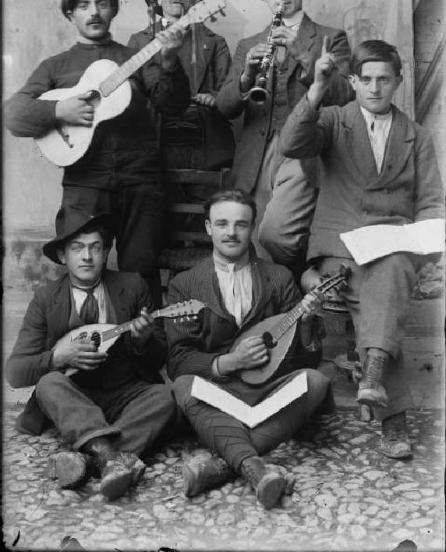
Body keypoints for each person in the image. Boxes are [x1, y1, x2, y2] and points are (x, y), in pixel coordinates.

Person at [277, 39, 445, 459]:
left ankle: (373, 378)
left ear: (398, 82)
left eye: (383, 80)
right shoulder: (334, 120)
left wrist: (426, 252)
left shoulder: (416, 136)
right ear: (352, 81)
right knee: (383, 288)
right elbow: (292, 144)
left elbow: (430, 202)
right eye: (365, 79)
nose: (374, 88)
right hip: (341, 249)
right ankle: (390, 413)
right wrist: (315, 88)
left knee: (389, 272)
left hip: (393, 245)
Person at [4, 0, 190, 306]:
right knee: (83, 269)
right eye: (84, 5)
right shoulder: (56, 65)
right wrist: (59, 111)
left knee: (141, 268)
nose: (94, 12)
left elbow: (172, 105)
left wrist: (171, 61)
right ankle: (82, 341)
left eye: (102, 4)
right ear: (70, 14)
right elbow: (13, 114)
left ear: (113, 11)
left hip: (141, 181)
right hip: (85, 182)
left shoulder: (134, 57)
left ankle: (143, 349)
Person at [165, 189, 334, 509]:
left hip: (266, 388)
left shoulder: (279, 277)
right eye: (222, 223)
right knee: (183, 385)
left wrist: (308, 323)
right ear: (208, 228)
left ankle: (228, 464)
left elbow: (303, 357)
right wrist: (229, 361)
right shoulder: (184, 285)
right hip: (218, 390)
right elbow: (178, 360)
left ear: (252, 228)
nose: (231, 232)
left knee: (317, 380)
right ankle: (254, 467)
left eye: (241, 224)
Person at [5, 210, 179, 501]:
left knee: (165, 397)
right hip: (75, 396)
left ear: (106, 251)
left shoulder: (133, 286)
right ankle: (112, 458)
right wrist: (57, 358)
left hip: (124, 393)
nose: (87, 256)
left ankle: (93, 459)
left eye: (95, 247)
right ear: (63, 256)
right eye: (77, 248)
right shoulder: (47, 299)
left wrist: (142, 340)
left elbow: (158, 358)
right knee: (49, 385)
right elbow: (15, 371)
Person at [216, 0, 353, 276]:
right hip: (256, 157)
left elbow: (345, 96)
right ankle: (285, 313)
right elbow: (224, 107)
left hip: (306, 152)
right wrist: (247, 76)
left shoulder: (330, 38)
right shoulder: (249, 44)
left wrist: (302, 54)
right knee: (257, 247)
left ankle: (300, 281)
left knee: (276, 236)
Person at [128, 0, 234, 206]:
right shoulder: (138, 42)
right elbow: (132, 94)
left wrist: (216, 97)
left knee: (205, 210)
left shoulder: (215, 42)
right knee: (155, 214)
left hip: (203, 138)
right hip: (155, 138)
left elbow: (228, 92)